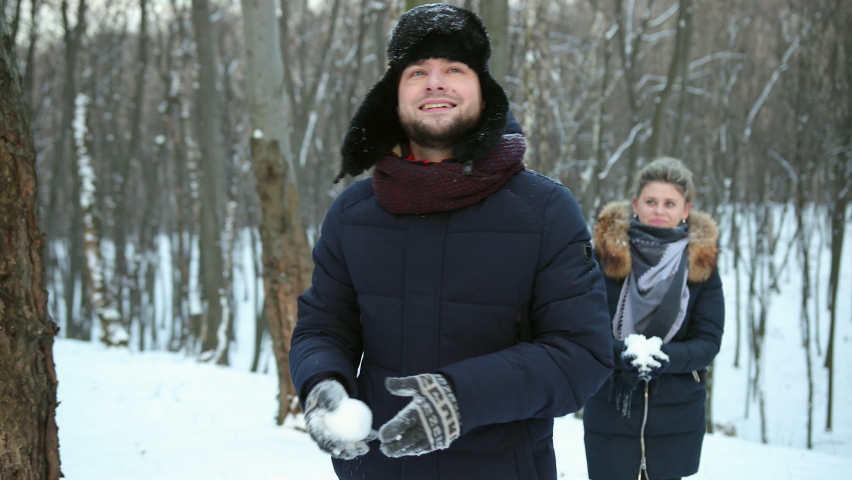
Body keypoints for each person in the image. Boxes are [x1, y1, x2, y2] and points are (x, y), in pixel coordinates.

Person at [289, 4, 614, 480]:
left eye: (453, 69)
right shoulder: (353, 214)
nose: (434, 82)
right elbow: (323, 326)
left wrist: (460, 398)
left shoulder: (545, 210)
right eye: (417, 71)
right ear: (392, 96)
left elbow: (581, 354)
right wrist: (321, 382)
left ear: (483, 89)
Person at [582, 157, 725, 480]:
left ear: (685, 210)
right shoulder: (603, 258)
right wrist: (621, 354)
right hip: (611, 408)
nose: (659, 210)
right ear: (636, 204)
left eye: (669, 203)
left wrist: (667, 358)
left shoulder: (702, 264)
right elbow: (583, 328)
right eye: (651, 201)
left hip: (677, 413)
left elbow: (709, 339)